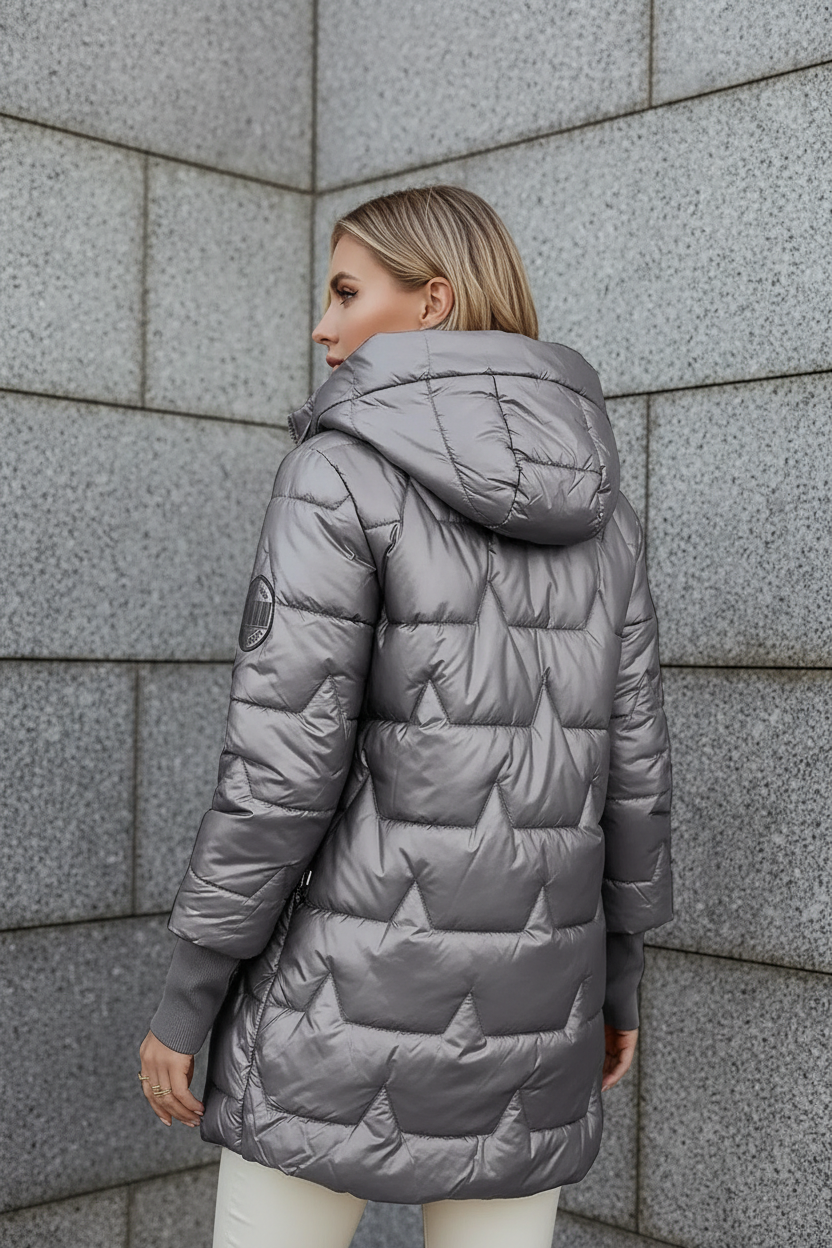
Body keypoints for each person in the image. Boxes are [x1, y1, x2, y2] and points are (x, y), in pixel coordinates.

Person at [138, 184, 673, 1248]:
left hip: (338, 1009)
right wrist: (616, 983)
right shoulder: (605, 510)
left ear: (433, 302)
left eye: (345, 292)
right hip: (540, 1016)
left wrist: (191, 994)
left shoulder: (335, 474)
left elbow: (281, 768)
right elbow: (635, 775)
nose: (321, 325)